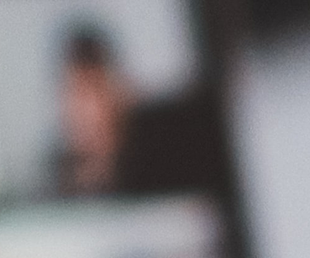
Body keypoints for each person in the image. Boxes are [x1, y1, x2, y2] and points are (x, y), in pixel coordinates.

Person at [46, 24, 217, 197]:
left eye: (94, 89)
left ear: (120, 88)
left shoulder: (165, 147)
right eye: (74, 92)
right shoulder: (59, 170)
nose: (85, 109)